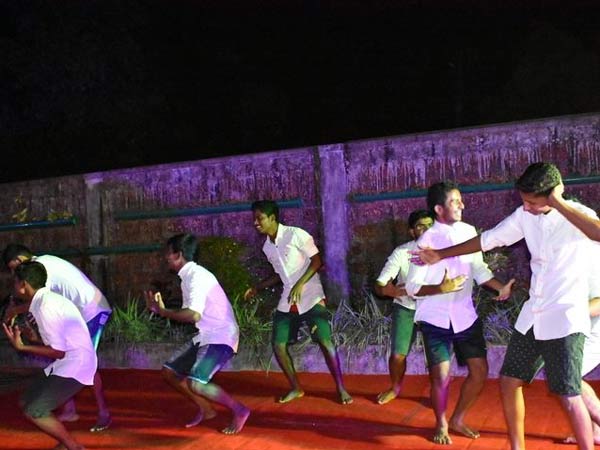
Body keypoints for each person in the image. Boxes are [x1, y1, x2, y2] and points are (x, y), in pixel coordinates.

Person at [411, 162, 596, 450]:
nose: (526, 207)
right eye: (524, 201)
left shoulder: (577, 215)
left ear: (552, 195)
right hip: (533, 314)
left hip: (565, 317)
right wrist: (440, 254)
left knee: (568, 393)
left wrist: (558, 202)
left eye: (532, 202)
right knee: (509, 380)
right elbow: (488, 239)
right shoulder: (524, 215)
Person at [404, 181, 514, 445]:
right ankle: (441, 423)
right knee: (441, 376)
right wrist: (440, 288)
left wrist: (499, 287)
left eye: (460, 200)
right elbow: (411, 288)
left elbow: (479, 270)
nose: (462, 205)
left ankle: (458, 418)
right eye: (455, 201)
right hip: (434, 318)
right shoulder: (425, 242)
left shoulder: (468, 232)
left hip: (465, 316)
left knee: (480, 371)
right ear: (439, 209)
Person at [244, 200, 353, 404]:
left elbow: (317, 261)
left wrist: (300, 284)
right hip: (289, 298)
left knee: (325, 341)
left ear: (272, 218)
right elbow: (279, 275)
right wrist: (257, 287)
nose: (255, 223)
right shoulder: (267, 247)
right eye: (254, 219)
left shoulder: (296, 234)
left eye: (259, 218)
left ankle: (341, 388)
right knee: (278, 345)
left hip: (311, 294)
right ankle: (296, 388)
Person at [144, 233, 250, 434]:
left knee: (197, 384)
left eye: (168, 253)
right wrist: (162, 311)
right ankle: (206, 409)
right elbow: (192, 314)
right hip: (206, 335)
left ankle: (240, 410)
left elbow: (193, 314)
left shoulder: (196, 276)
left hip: (221, 336)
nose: (166, 257)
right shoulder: (188, 276)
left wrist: (164, 312)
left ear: (178, 255)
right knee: (169, 372)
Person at [2, 244, 112, 432]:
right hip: (80, 312)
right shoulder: (41, 264)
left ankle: (104, 413)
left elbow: (39, 300)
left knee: (86, 362)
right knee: (62, 356)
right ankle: (69, 409)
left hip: (92, 310)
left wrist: (14, 311)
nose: (15, 274)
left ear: (20, 260)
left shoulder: (41, 268)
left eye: (14, 269)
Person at [373, 208, 434, 405]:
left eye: (430, 225)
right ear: (412, 231)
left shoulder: (445, 252)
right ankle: (395, 388)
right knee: (398, 355)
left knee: (435, 357)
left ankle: (437, 392)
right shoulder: (402, 252)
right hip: (405, 308)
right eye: (421, 226)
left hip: (433, 309)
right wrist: (389, 291)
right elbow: (380, 284)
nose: (427, 230)